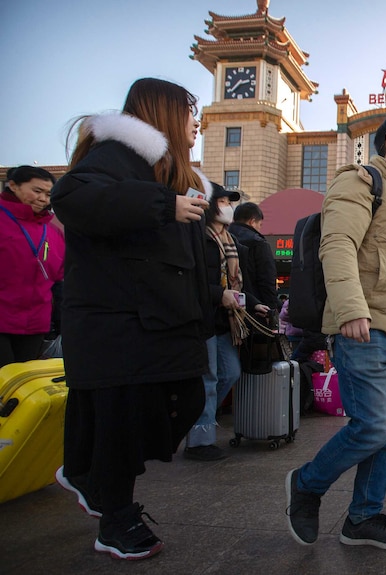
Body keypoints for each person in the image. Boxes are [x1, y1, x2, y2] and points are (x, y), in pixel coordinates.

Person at [51, 78, 212, 560]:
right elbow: (73, 198)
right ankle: (115, 518)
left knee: (187, 399)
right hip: (117, 321)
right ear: (162, 112)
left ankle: (87, 472)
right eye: (189, 111)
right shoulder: (114, 155)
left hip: (166, 320)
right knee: (121, 423)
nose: (196, 122)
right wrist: (163, 204)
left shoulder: (173, 173)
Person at [285, 112, 386, 550]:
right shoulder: (360, 182)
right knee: (373, 427)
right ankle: (306, 484)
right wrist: (351, 308)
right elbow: (337, 246)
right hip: (364, 328)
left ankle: (363, 518)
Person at [184, 183, 269, 461]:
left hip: (226, 321)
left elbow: (237, 282)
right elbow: (191, 282)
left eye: (228, 201)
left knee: (230, 372)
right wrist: (220, 294)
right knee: (207, 378)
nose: (227, 206)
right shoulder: (198, 238)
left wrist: (253, 302)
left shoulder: (231, 242)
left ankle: (199, 420)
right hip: (203, 318)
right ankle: (199, 440)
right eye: (221, 201)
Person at [0, 166, 65, 368]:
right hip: (3, 317)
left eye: (48, 194)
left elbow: (59, 273)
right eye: (36, 191)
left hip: (35, 323)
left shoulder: (52, 228)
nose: (43, 199)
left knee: (22, 385)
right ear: (13, 186)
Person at [228, 201, 279, 310]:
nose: (260, 228)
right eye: (260, 224)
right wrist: (272, 310)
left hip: (225, 304)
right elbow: (267, 281)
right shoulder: (258, 243)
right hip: (256, 308)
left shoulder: (223, 239)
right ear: (252, 221)